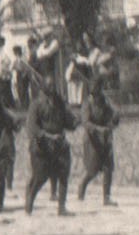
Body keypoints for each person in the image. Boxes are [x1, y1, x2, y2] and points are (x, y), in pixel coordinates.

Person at [24, 74, 78, 216]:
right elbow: (32, 127)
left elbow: (66, 121)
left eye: (54, 85)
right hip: (42, 146)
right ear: (43, 87)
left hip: (60, 144)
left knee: (63, 174)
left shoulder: (60, 103)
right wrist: (48, 136)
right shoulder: (36, 105)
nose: (52, 88)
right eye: (49, 85)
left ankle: (61, 207)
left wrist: (74, 123)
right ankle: (30, 200)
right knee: (41, 177)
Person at [76, 76, 120, 206]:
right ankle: (82, 187)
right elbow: (86, 122)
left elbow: (114, 113)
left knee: (108, 168)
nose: (97, 94)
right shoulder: (87, 103)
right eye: (95, 91)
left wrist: (115, 118)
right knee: (92, 169)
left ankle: (106, 197)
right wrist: (99, 129)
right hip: (92, 140)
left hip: (105, 139)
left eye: (99, 89)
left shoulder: (105, 101)